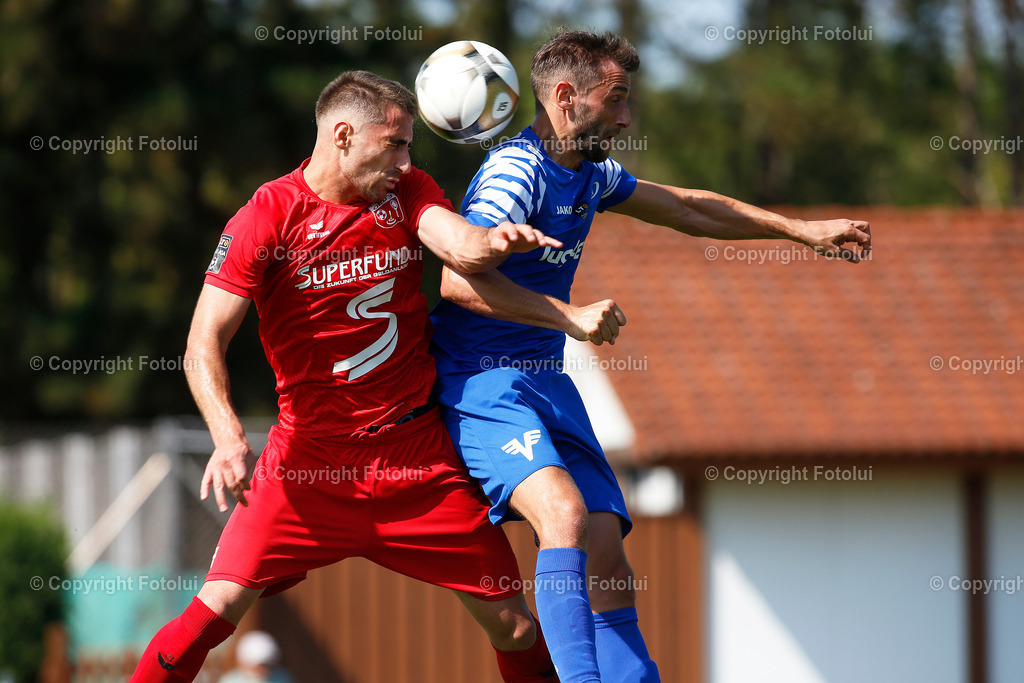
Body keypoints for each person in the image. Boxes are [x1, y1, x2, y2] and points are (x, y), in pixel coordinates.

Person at [430, 30, 872, 683]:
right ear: (564, 96)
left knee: (607, 551)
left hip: (546, 381)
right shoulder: (513, 172)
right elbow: (457, 281)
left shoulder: (591, 173)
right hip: (483, 384)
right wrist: (569, 317)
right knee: (565, 514)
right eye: (616, 99)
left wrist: (800, 230)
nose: (627, 117)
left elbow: (688, 209)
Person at [129, 70, 564, 683]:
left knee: (513, 624)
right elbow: (203, 342)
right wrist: (228, 438)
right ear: (341, 136)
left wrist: (489, 242)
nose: (406, 159)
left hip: (416, 461)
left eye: (410, 145)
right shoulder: (267, 216)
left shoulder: (407, 191)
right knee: (217, 608)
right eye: (395, 143)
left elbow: (456, 240)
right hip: (305, 467)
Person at [217, 631, 292, 683]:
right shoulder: (231, 680)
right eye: (258, 665)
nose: (262, 669)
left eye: (267, 664)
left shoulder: (281, 678)